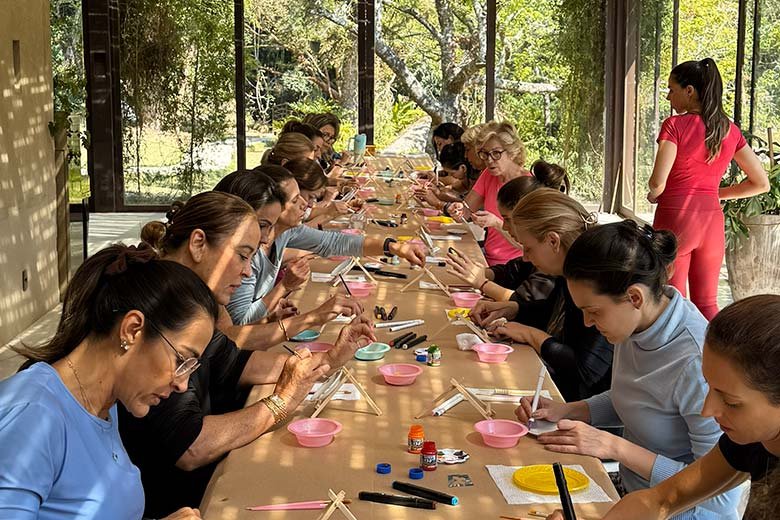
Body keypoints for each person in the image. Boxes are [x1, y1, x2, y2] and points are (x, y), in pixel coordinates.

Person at [120, 191, 376, 517]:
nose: (247, 272)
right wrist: (280, 403)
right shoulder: (160, 309)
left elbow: (240, 363)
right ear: (198, 244)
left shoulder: (187, 302)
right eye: (243, 255)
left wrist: (331, 358)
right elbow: (191, 446)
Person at [516, 220, 740, 518]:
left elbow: (720, 497)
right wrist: (567, 410)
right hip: (632, 498)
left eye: (593, 311)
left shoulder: (696, 362)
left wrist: (615, 447)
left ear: (634, 297)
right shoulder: (635, 324)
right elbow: (634, 395)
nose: (587, 323)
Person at [0, 244, 218, 519]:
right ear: (132, 330)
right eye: (181, 360)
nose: (182, 385)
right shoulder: (32, 416)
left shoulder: (104, 404)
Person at [545, 295, 780, 520]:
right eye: (708, 386)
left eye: (731, 402)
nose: (708, 410)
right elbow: (661, 500)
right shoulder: (750, 441)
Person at [226, 165, 427, 325]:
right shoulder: (248, 254)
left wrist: (392, 246)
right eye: (296, 200)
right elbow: (240, 321)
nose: (305, 204)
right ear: (273, 205)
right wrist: (283, 288)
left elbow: (333, 241)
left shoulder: (284, 232)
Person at [649, 58, 769, 320]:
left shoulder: (674, 125)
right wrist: (715, 194)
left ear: (689, 90)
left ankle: (677, 360)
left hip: (675, 219)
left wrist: (654, 193)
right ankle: (717, 358)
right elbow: (761, 183)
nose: (669, 96)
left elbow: (658, 182)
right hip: (711, 221)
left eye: (672, 89)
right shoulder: (730, 130)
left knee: (672, 301)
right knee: (707, 303)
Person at [472, 188, 613, 401]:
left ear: (553, 241)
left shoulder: (597, 279)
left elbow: (587, 371)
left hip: (584, 409)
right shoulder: (569, 269)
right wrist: (514, 309)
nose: (526, 258)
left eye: (528, 248)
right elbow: (554, 311)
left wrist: (530, 334)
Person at [213, 169, 365, 347]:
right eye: (295, 200)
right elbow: (235, 332)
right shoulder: (189, 294)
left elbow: (228, 341)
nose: (306, 205)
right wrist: (286, 290)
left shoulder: (278, 235)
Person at [445, 160, 566, 301]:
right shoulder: (538, 249)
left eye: (507, 219)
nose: (504, 226)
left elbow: (525, 302)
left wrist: (482, 283)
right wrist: (481, 272)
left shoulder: (552, 257)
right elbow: (514, 269)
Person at [446, 121, 528, 266]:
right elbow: (465, 210)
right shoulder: (489, 175)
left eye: (496, 153)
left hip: (515, 266)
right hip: (486, 258)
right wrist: (456, 209)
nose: (489, 160)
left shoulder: (527, 185)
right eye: (484, 154)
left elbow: (527, 245)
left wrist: (496, 223)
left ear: (511, 152)